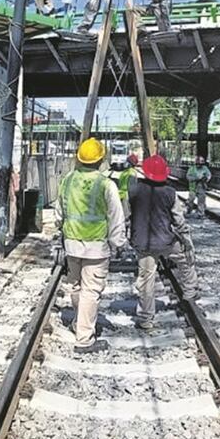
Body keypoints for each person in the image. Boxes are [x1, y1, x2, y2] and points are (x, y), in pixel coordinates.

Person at [55, 138, 127, 354]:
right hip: (96, 246)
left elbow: (60, 213)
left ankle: (80, 323)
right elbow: (116, 216)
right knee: (91, 291)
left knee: (76, 286)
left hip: (72, 243)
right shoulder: (106, 184)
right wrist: (118, 243)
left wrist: (62, 229)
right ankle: (84, 339)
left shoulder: (67, 180)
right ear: (101, 159)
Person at [130, 154, 198, 330]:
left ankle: (146, 318)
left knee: (146, 279)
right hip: (166, 241)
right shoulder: (170, 193)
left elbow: (125, 214)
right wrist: (187, 240)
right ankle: (190, 293)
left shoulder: (134, 190)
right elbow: (179, 220)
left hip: (143, 243)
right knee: (186, 259)